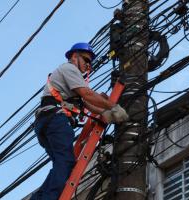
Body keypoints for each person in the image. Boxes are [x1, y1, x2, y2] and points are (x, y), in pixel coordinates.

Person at [31, 42, 128, 200]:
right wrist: (114, 106)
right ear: (74, 57)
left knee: (61, 164)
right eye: (86, 60)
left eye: (90, 62)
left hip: (45, 122)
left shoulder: (69, 82)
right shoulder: (69, 69)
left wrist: (106, 112)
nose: (88, 65)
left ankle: (39, 198)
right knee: (65, 162)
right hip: (55, 120)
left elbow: (87, 104)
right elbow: (87, 94)